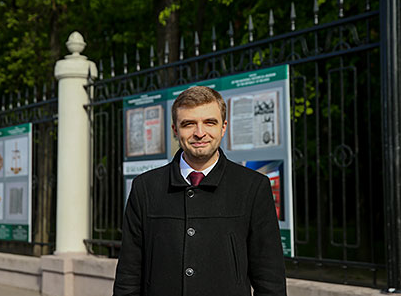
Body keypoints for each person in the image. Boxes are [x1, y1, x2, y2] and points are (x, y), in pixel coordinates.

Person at [113, 86, 286, 296]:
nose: (200, 133)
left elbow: (270, 279)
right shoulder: (145, 188)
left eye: (209, 122)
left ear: (223, 127)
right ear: (175, 130)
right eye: (188, 124)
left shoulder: (253, 187)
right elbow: (128, 276)